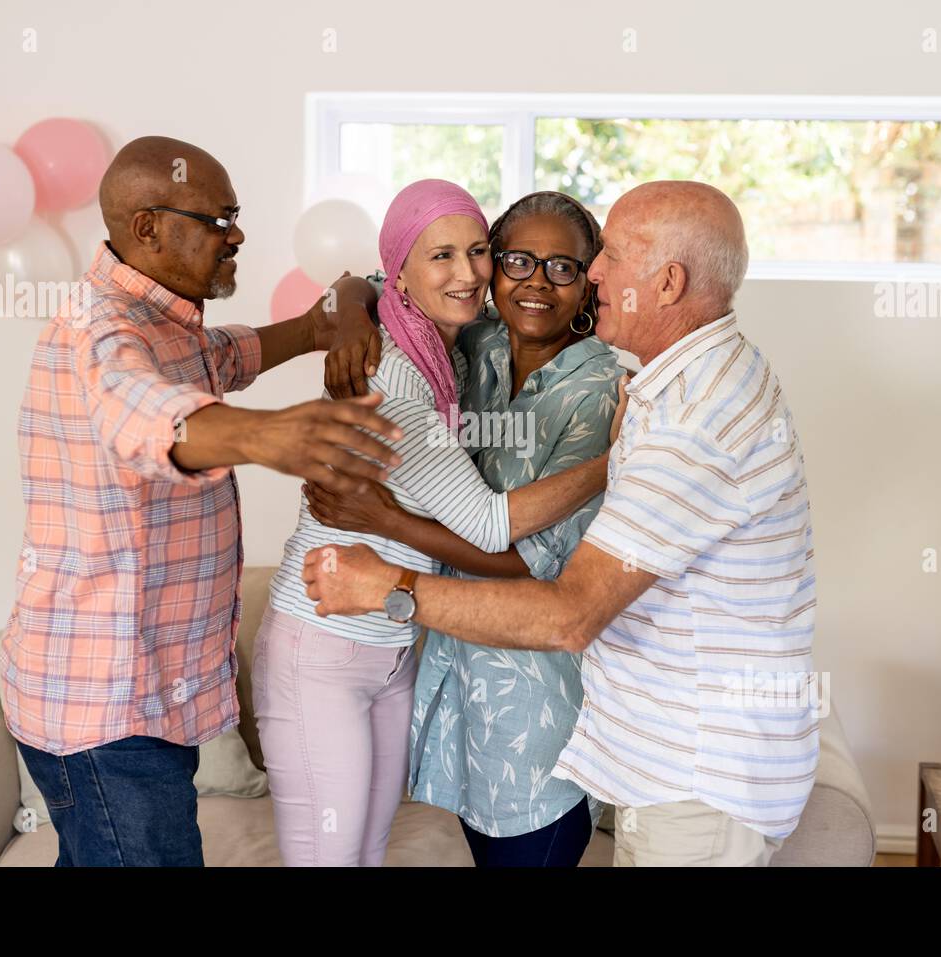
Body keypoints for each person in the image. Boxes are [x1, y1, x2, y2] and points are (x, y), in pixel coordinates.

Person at [302, 181, 820, 867]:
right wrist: (346, 313)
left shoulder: (679, 420)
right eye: (517, 260)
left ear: (667, 283)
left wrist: (386, 578)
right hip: (656, 758)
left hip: (696, 773)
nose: (596, 272)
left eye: (604, 258)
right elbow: (388, 280)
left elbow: (569, 611)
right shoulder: (668, 384)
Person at [0, 135, 403, 867]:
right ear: (148, 226)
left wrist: (346, 307)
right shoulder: (103, 332)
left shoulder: (171, 328)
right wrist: (266, 435)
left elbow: (311, 317)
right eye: (219, 219)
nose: (237, 233)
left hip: (147, 700)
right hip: (108, 712)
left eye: (236, 215)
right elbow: (147, 413)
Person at [255, 179, 620, 867]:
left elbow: (533, 558)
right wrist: (358, 311)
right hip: (352, 642)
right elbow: (370, 280)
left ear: (588, 280)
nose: (532, 281)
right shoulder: (438, 356)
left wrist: (382, 517)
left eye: (563, 267)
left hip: (501, 694)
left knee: (364, 854)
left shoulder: (584, 385)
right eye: (515, 259)